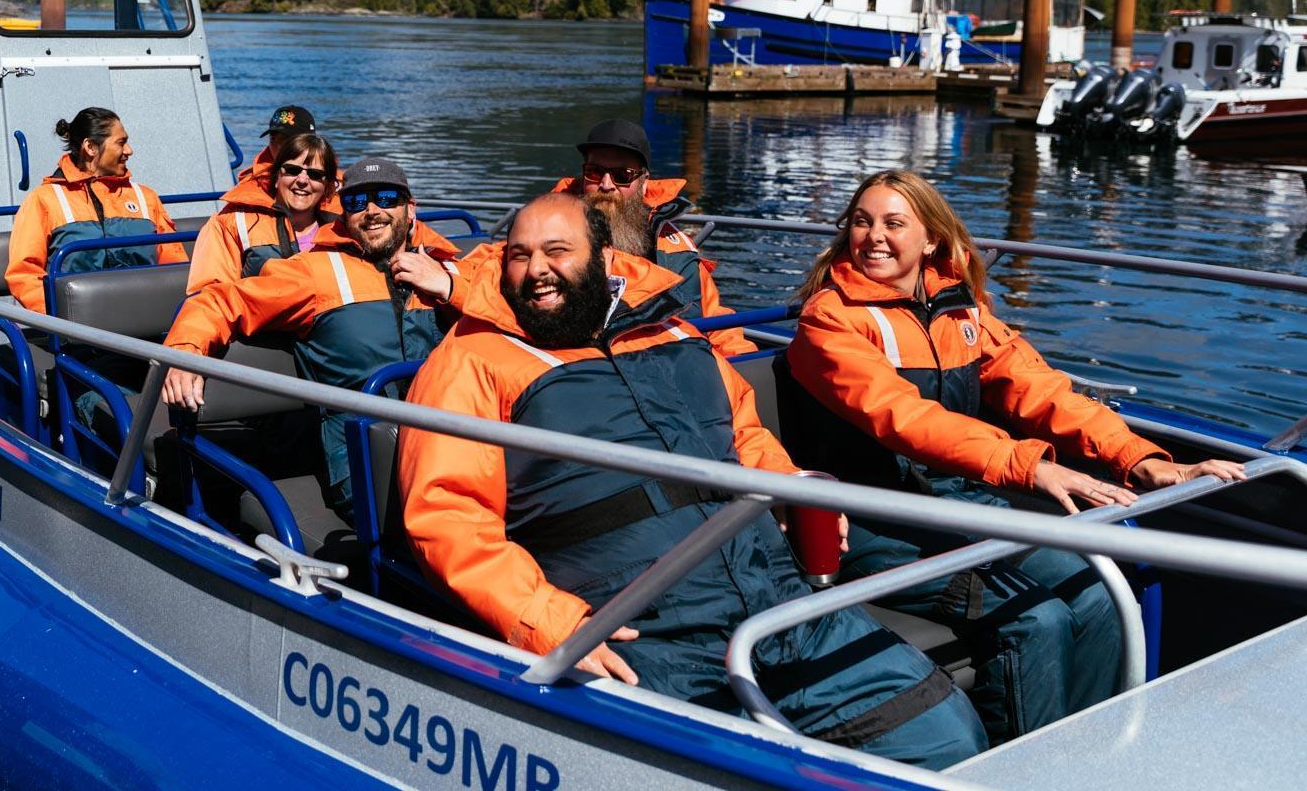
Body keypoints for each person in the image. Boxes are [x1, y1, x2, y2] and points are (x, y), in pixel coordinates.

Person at [400, 193, 988, 769]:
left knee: (945, 736)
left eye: (558, 251)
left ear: (605, 259)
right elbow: (451, 517)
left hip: (774, 595)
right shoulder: (471, 361)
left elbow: (747, 436)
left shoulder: (676, 333)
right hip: (634, 626)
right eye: (520, 256)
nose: (537, 271)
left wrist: (798, 489)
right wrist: (554, 623)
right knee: (705, 774)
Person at [782, 168, 1243, 742]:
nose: (874, 236)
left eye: (894, 223)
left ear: (930, 240)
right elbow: (904, 417)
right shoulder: (830, 320)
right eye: (861, 221)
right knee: (1036, 620)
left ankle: (1087, 759)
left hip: (950, 501)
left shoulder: (960, 310)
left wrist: (1139, 458)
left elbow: (1038, 389)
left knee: (1098, 595)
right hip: (869, 519)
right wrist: (1029, 466)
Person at [164, 157, 465, 515]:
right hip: (370, 461)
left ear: (410, 209)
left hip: (456, 438)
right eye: (355, 202)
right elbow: (220, 300)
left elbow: (514, 320)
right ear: (343, 213)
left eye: (385, 198)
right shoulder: (315, 273)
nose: (371, 211)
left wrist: (449, 287)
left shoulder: (446, 270)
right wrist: (184, 353)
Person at [555, 117, 753, 357]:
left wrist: (743, 364)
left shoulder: (674, 250)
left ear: (643, 182)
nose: (606, 185)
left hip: (674, 363)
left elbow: (715, 322)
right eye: (594, 172)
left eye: (623, 175)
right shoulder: (546, 238)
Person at [4, 105, 187, 313]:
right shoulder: (44, 200)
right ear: (90, 148)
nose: (129, 150)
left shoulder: (146, 198)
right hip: (80, 330)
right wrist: (66, 316)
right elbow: (24, 274)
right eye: (121, 143)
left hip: (149, 319)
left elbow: (175, 263)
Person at [186, 131, 338, 293]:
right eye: (292, 170)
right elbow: (210, 297)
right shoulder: (230, 224)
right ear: (276, 177)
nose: (302, 180)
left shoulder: (342, 229)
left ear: (327, 186)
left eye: (315, 175)